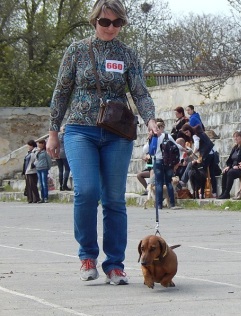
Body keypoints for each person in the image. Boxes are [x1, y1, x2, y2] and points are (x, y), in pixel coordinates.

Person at [46, 0, 158, 285]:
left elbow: (140, 92)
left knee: (114, 198)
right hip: (80, 129)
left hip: (117, 133)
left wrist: (150, 119)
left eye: (117, 23)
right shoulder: (77, 50)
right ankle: (87, 255)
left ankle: (115, 264)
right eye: (105, 22)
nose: (111, 28)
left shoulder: (127, 54)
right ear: (94, 21)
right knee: (86, 191)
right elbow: (61, 92)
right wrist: (53, 131)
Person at [152, 119, 185, 210]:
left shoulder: (154, 137)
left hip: (158, 160)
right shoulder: (167, 136)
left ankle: (159, 205)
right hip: (168, 162)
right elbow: (176, 146)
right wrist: (185, 150)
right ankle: (172, 204)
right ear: (161, 127)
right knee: (169, 182)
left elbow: (146, 149)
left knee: (158, 183)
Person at [180, 123, 217, 197]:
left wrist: (193, 153)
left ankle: (199, 191)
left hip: (207, 154)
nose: (187, 134)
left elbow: (197, 146)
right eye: (185, 133)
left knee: (199, 170)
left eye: (187, 132)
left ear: (189, 130)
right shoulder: (199, 133)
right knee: (212, 173)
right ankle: (214, 192)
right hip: (213, 152)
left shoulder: (195, 135)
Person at [218, 131, 241, 199]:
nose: (235, 138)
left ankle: (227, 192)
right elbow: (230, 159)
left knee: (231, 172)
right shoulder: (235, 147)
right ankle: (224, 192)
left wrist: (238, 165)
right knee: (225, 172)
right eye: (234, 137)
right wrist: (229, 166)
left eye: (237, 136)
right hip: (234, 167)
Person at [34, 139, 52, 203]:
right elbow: (35, 159)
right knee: (40, 184)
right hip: (38, 168)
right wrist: (35, 164)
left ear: (43, 144)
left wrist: (48, 167)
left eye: (39, 143)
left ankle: (46, 197)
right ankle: (42, 197)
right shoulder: (36, 151)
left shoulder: (45, 152)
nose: (38, 145)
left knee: (44, 183)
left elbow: (49, 160)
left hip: (44, 168)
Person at [56, 126, 71, 191]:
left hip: (58, 153)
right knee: (67, 169)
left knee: (60, 170)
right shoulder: (67, 135)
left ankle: (60, 185)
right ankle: (64, 185)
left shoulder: (57, 136)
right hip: (65, 153)